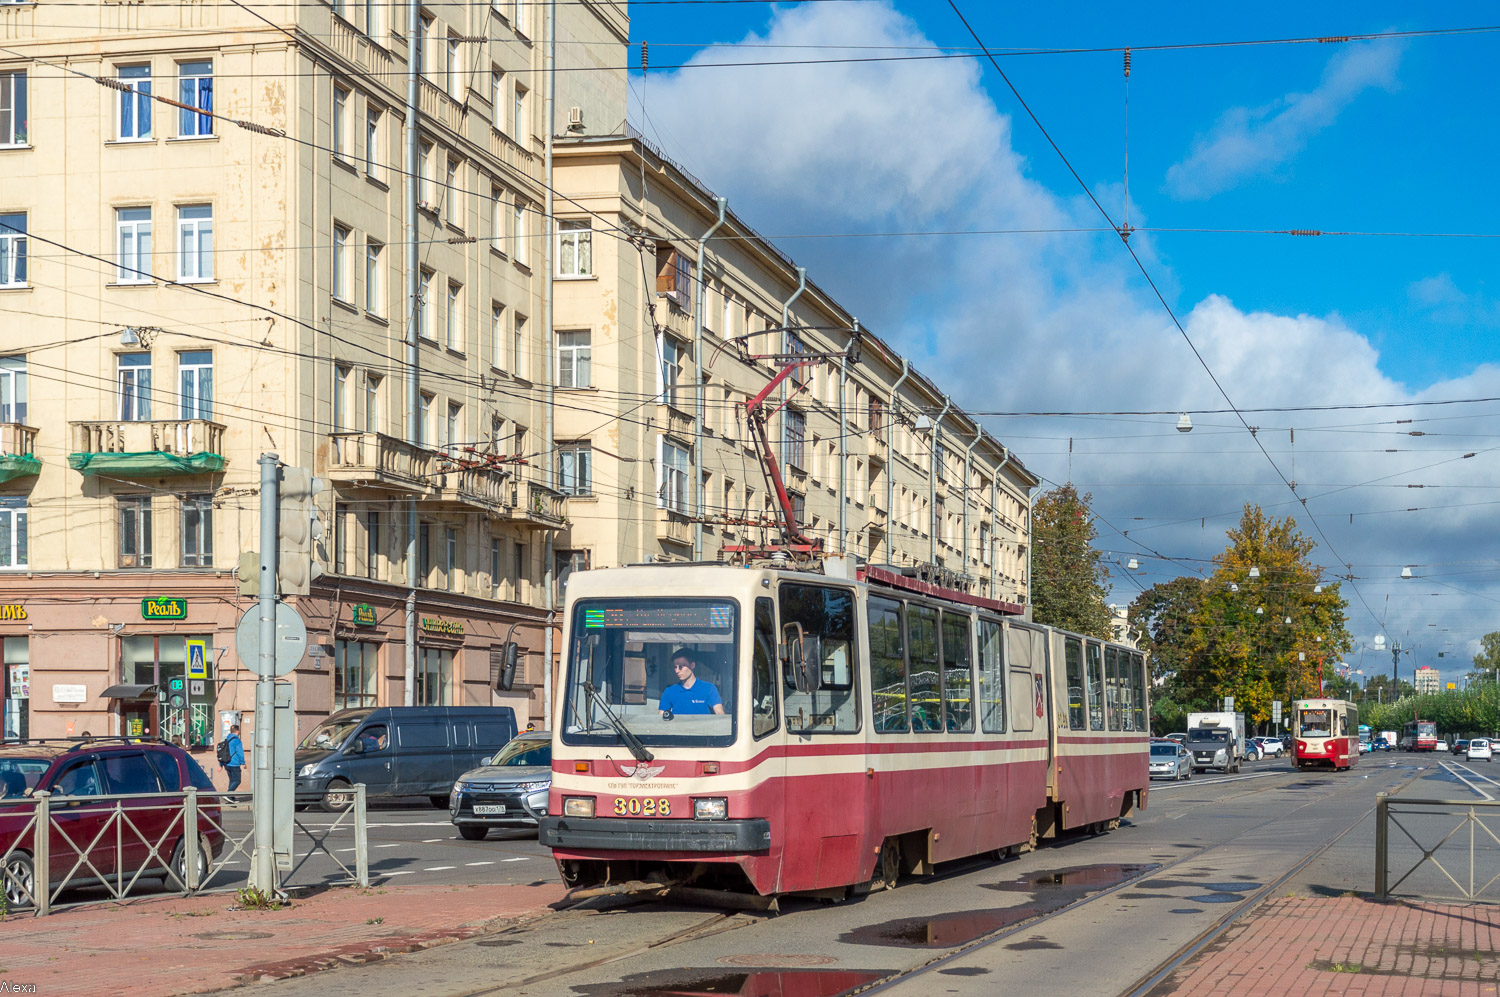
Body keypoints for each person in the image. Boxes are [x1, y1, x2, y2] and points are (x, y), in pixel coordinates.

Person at [658, 648, 724, 717]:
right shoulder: (669, 691)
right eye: (675, 667)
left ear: (692, 665)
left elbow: (719, 713)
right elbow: (661, 717)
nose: (677, 671)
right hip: (678, 727)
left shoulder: (709, 688)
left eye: (680, 667)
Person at [224, 724, 245, 800]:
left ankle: (231, 797)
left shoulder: (227, 739)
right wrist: (243, 763)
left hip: (227, 763)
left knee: (232, 780)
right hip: (234, 763)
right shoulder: (237, 741)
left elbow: (223, 751)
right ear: (237, 731)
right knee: (237, 780)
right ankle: (228, 794)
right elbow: (240, 752)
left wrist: (221, 764)